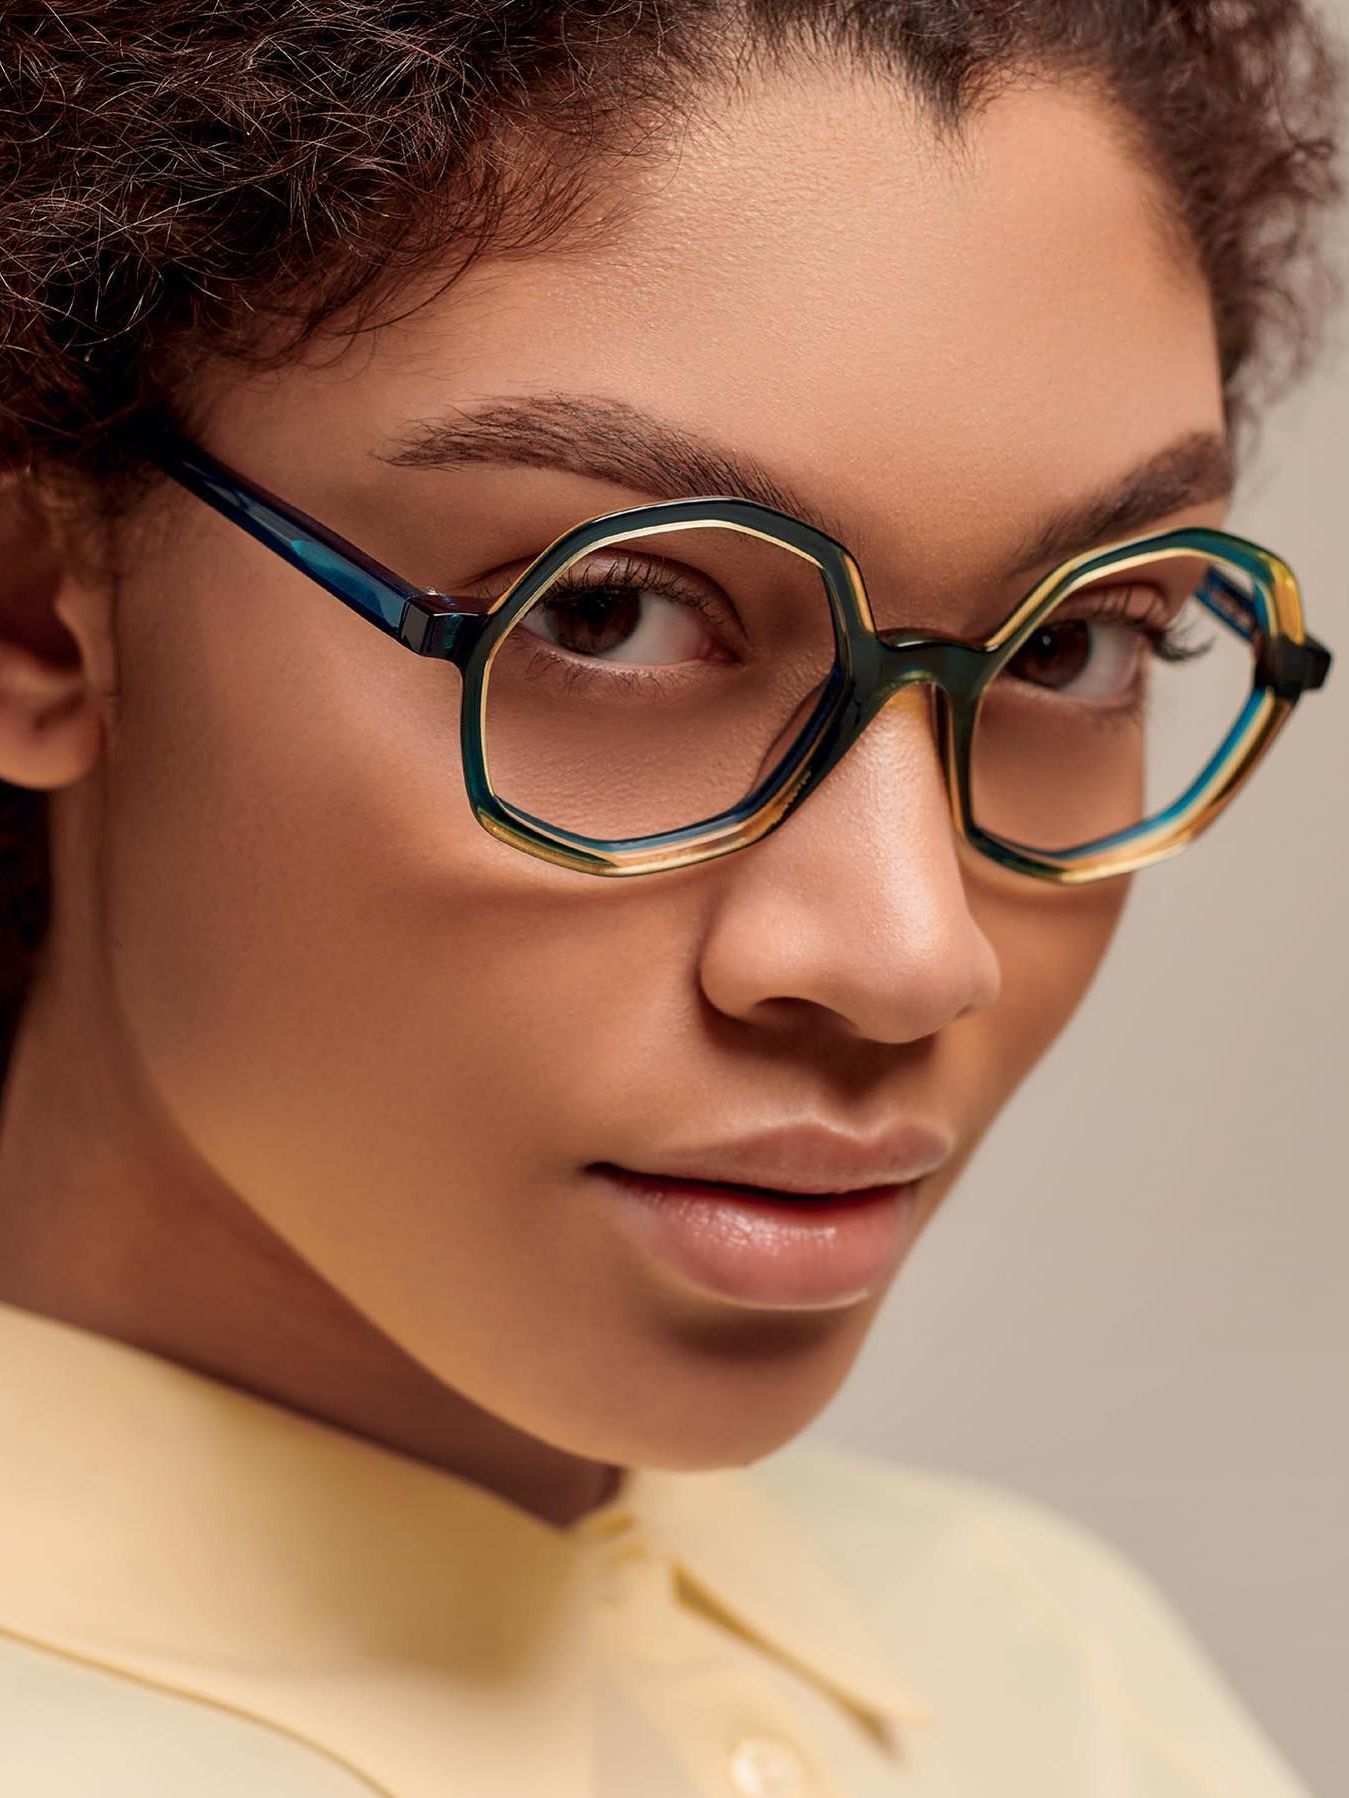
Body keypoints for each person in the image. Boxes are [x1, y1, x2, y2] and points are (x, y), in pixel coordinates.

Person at [0, 2, 1341, 1793]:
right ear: (37, 601)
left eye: (1083, 638)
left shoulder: (1058, 1674)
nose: (903, 951)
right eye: (602, 609)